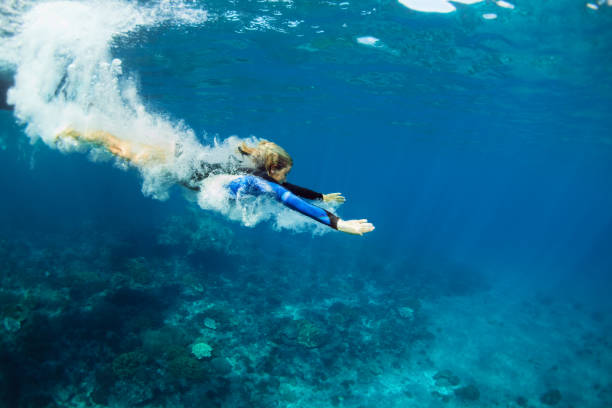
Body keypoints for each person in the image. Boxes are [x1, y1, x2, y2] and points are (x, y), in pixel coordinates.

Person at [55, 128, 375, 235]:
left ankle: (82, 130)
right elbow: (282, 195)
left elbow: (285, 188)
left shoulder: (254, 165)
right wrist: (337, 224)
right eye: (284, 172)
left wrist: (320, 196)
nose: (286, 179)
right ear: (272, 167)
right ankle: (84, 134)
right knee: (124, 151)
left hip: (183, 154)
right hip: (180, 166)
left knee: (123, 145)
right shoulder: (258, 181)